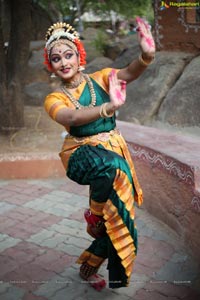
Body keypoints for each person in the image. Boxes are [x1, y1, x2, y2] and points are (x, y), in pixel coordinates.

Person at [43, 17, 155, 291]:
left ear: (79, 55)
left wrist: (147, 54)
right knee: (110, 170)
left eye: (68, 54)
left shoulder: (101, 78)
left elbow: (129, 72)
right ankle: (94, 214)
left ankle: (92, 263)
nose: (64, 62)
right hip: (81, 153)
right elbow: (71, 116)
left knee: (121, 217)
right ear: (51, 66)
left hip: (113, 152)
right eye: (56, 59)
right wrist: (108, 109)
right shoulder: (53, 99)